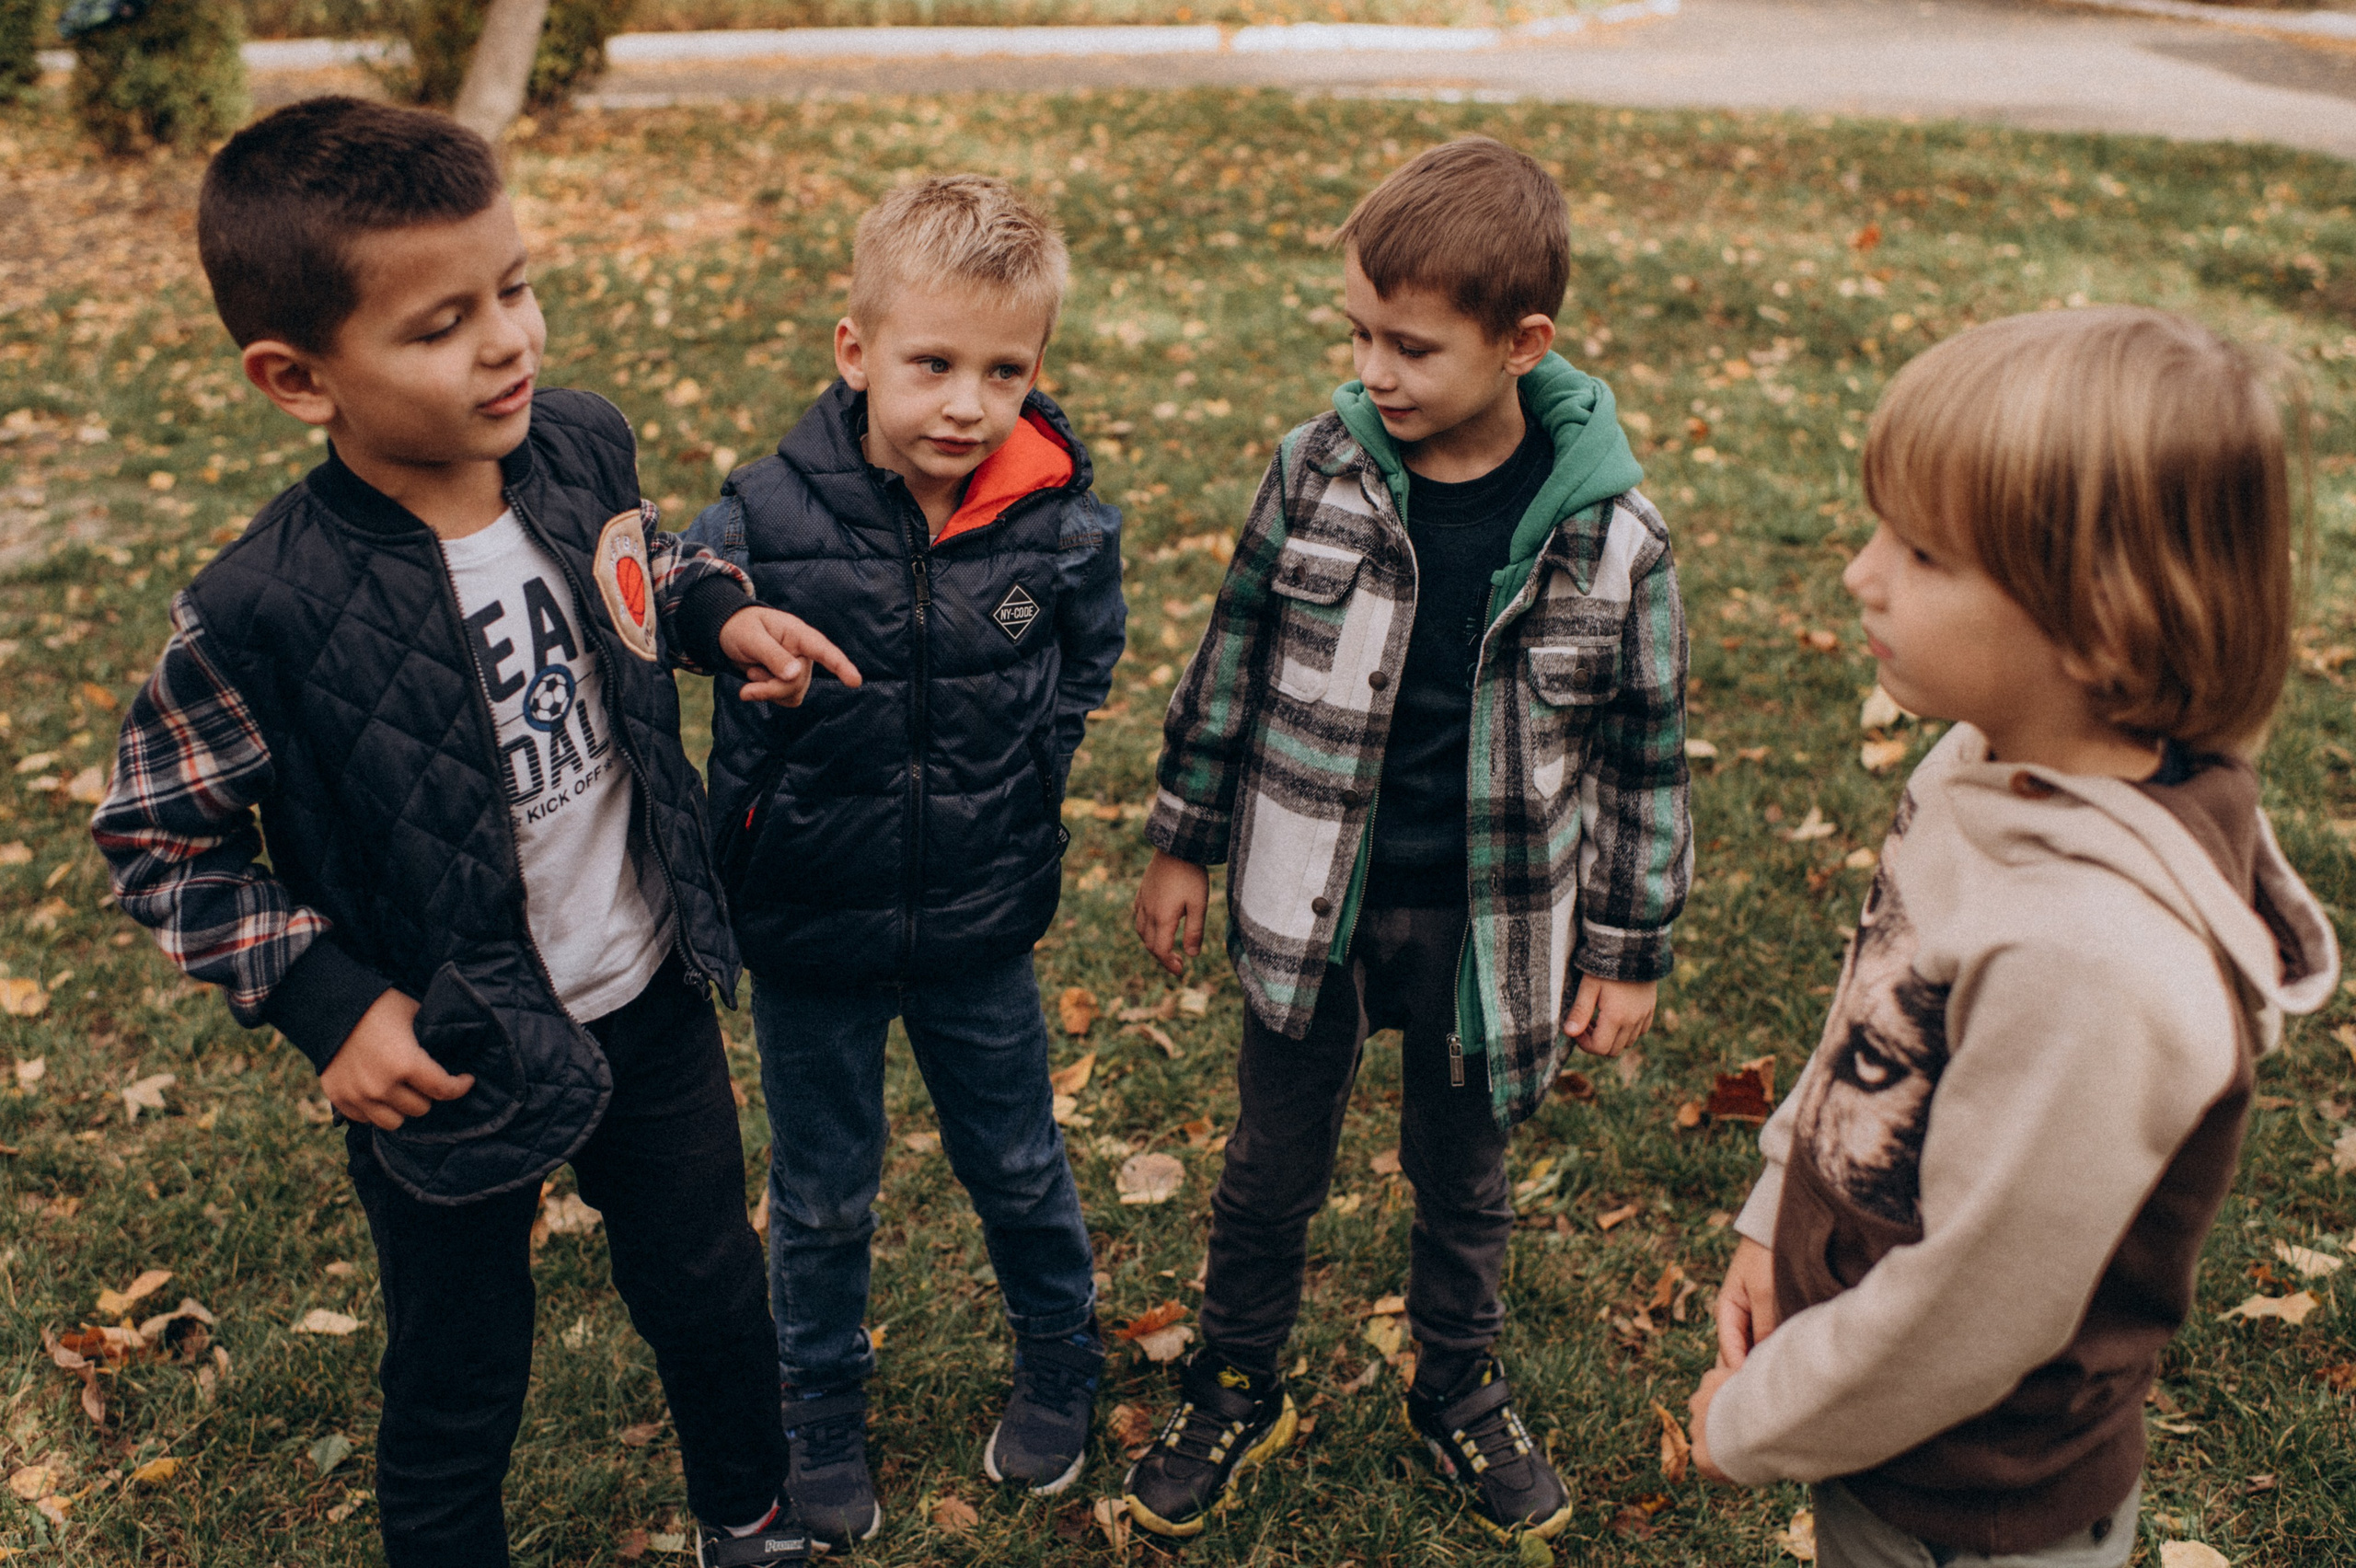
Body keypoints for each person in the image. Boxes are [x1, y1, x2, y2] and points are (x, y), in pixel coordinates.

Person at [90, 97, 858, 1568]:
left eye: (514, 287)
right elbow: (156, 836)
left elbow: (640, 559)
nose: (508, 341)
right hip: (450, 1049)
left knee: (709, 1287)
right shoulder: (264, 611)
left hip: (646, 986)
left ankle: (750, 1519)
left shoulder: (577, 446)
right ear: (297, 378)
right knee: (459, 1366)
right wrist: (330, 1003)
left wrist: (717, 613)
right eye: (442, 325)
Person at [1688, 306, 2339, 1568]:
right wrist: (1778, 1215)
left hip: (1974, 1514)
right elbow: (1875, 1018)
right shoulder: (1978, 763)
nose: (1859, 574)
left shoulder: (2091, 966)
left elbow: (1974, 1311)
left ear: (2101, 623)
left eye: (1923, 552)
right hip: (1876, 1437)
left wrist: (1753, 1423)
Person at [1125, 135, 1692, 1542]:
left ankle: (1458, 1383)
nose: (1372, 372)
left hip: (1484, 929)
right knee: (1270, 1164)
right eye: (1358, 335)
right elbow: (1231, 659)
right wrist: (1184, 840)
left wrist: (1626, 947)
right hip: (1311, 900)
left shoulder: (1613, 539)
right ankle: (1236, 1375)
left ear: (1522, 344)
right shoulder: (1316, 472)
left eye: (1412, 347)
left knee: (1463, 1171)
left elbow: (1643, 755)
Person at [685, 174, 1126, 1550]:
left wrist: (1028, 778)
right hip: (808, 919)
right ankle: (816, 1397)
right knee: (821, 1191)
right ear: (856, 350)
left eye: (1005, 371)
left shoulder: (1058, 520)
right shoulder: (760, 516)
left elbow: (1086, 658)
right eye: (932, 363)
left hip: (978, 918)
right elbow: (679, 609)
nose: (966, 405)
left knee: (1018, 1159)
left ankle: (1060, 1351)